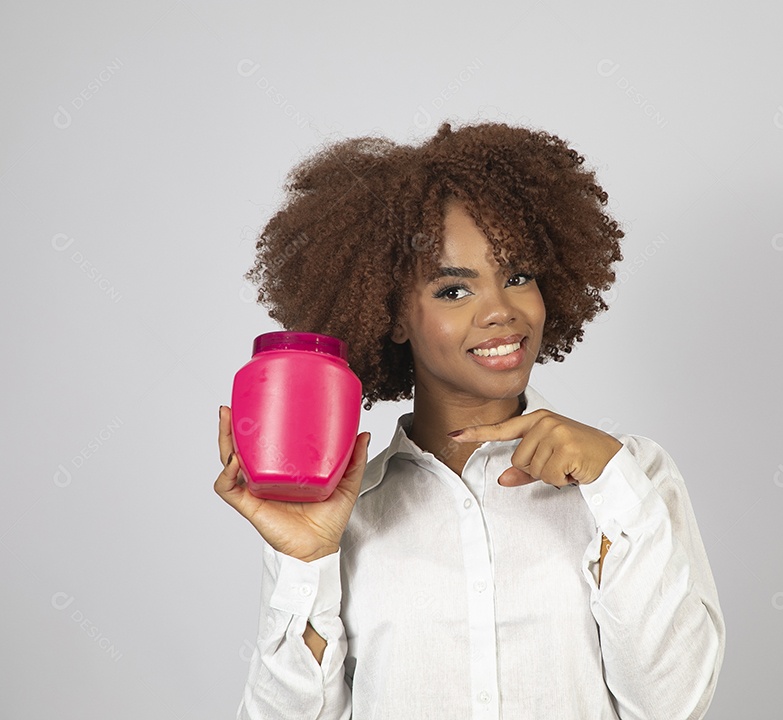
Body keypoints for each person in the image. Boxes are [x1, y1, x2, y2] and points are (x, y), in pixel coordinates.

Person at [214, 120, 725, 719]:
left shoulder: (629, 479)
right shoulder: (340, 511)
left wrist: (613, 483)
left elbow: (673, 707)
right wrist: (305, 563)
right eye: (455, 290)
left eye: (517, 277)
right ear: (395, 315)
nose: (501, 312)